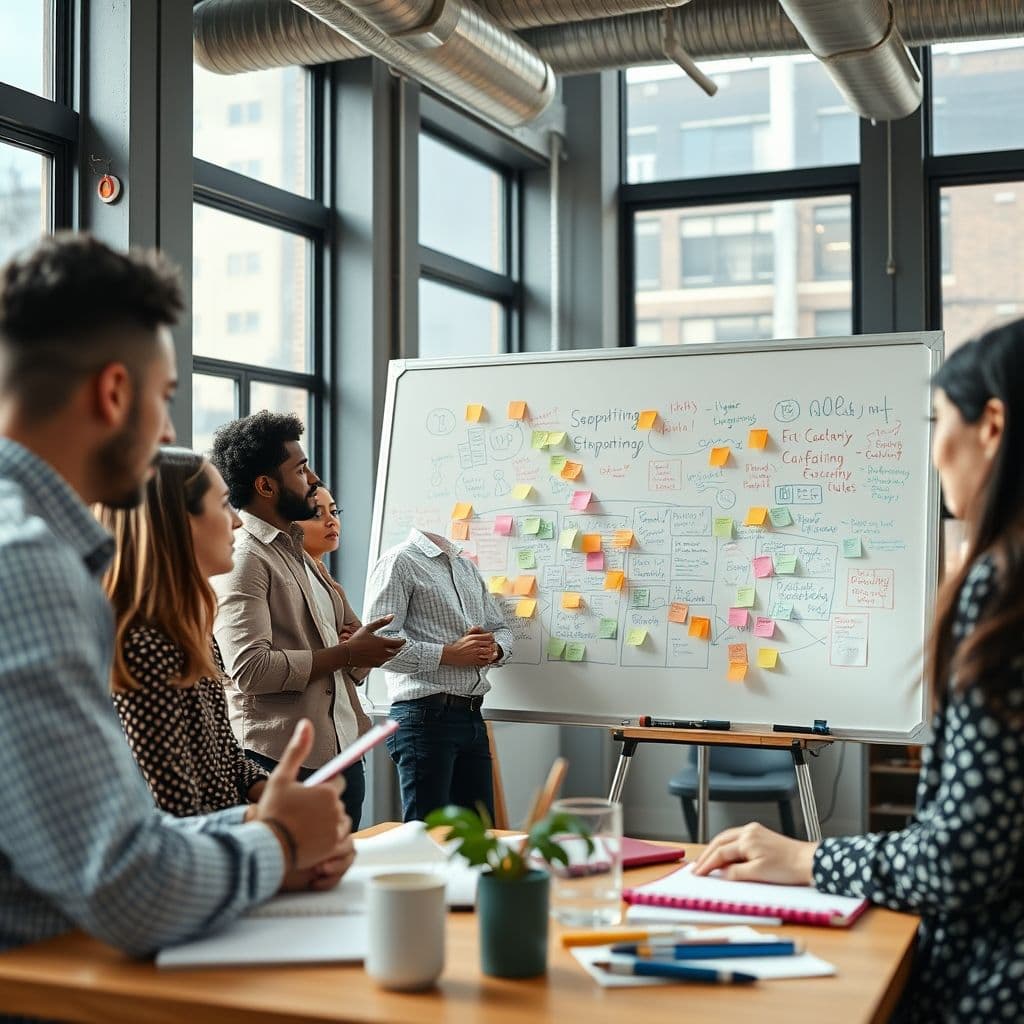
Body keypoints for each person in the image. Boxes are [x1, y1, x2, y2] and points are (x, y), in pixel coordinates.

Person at [0, 233, 348, 956]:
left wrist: (259, 827)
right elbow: (126, 887)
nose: (164, 431)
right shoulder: (29, 567)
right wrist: (279, 842)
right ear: (114, 391)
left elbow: (89, 846)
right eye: (163, 399)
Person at [693, 322, 1024, 1022]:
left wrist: (808, 861)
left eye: (940, 422)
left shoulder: (1003, 590)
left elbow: (963, 856)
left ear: (992, 424)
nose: (933, 452)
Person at [210, 413, 403, 830]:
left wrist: (358, 653)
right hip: (280, 762)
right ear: (266, 486)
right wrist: (347, 652)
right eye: (299, 469)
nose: (313, 478)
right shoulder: (246, 559)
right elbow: (250, 669)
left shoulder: (301, 554)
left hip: (341, 750)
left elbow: (353, 658)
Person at [364, 528, 514, 822]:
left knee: (479, 835)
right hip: (424, 717)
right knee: (427, 837)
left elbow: (502, 629)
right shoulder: (399, 561)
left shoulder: (465, 566)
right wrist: (449, 654)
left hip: (472, 717)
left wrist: (494, 650)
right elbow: (377, 645)